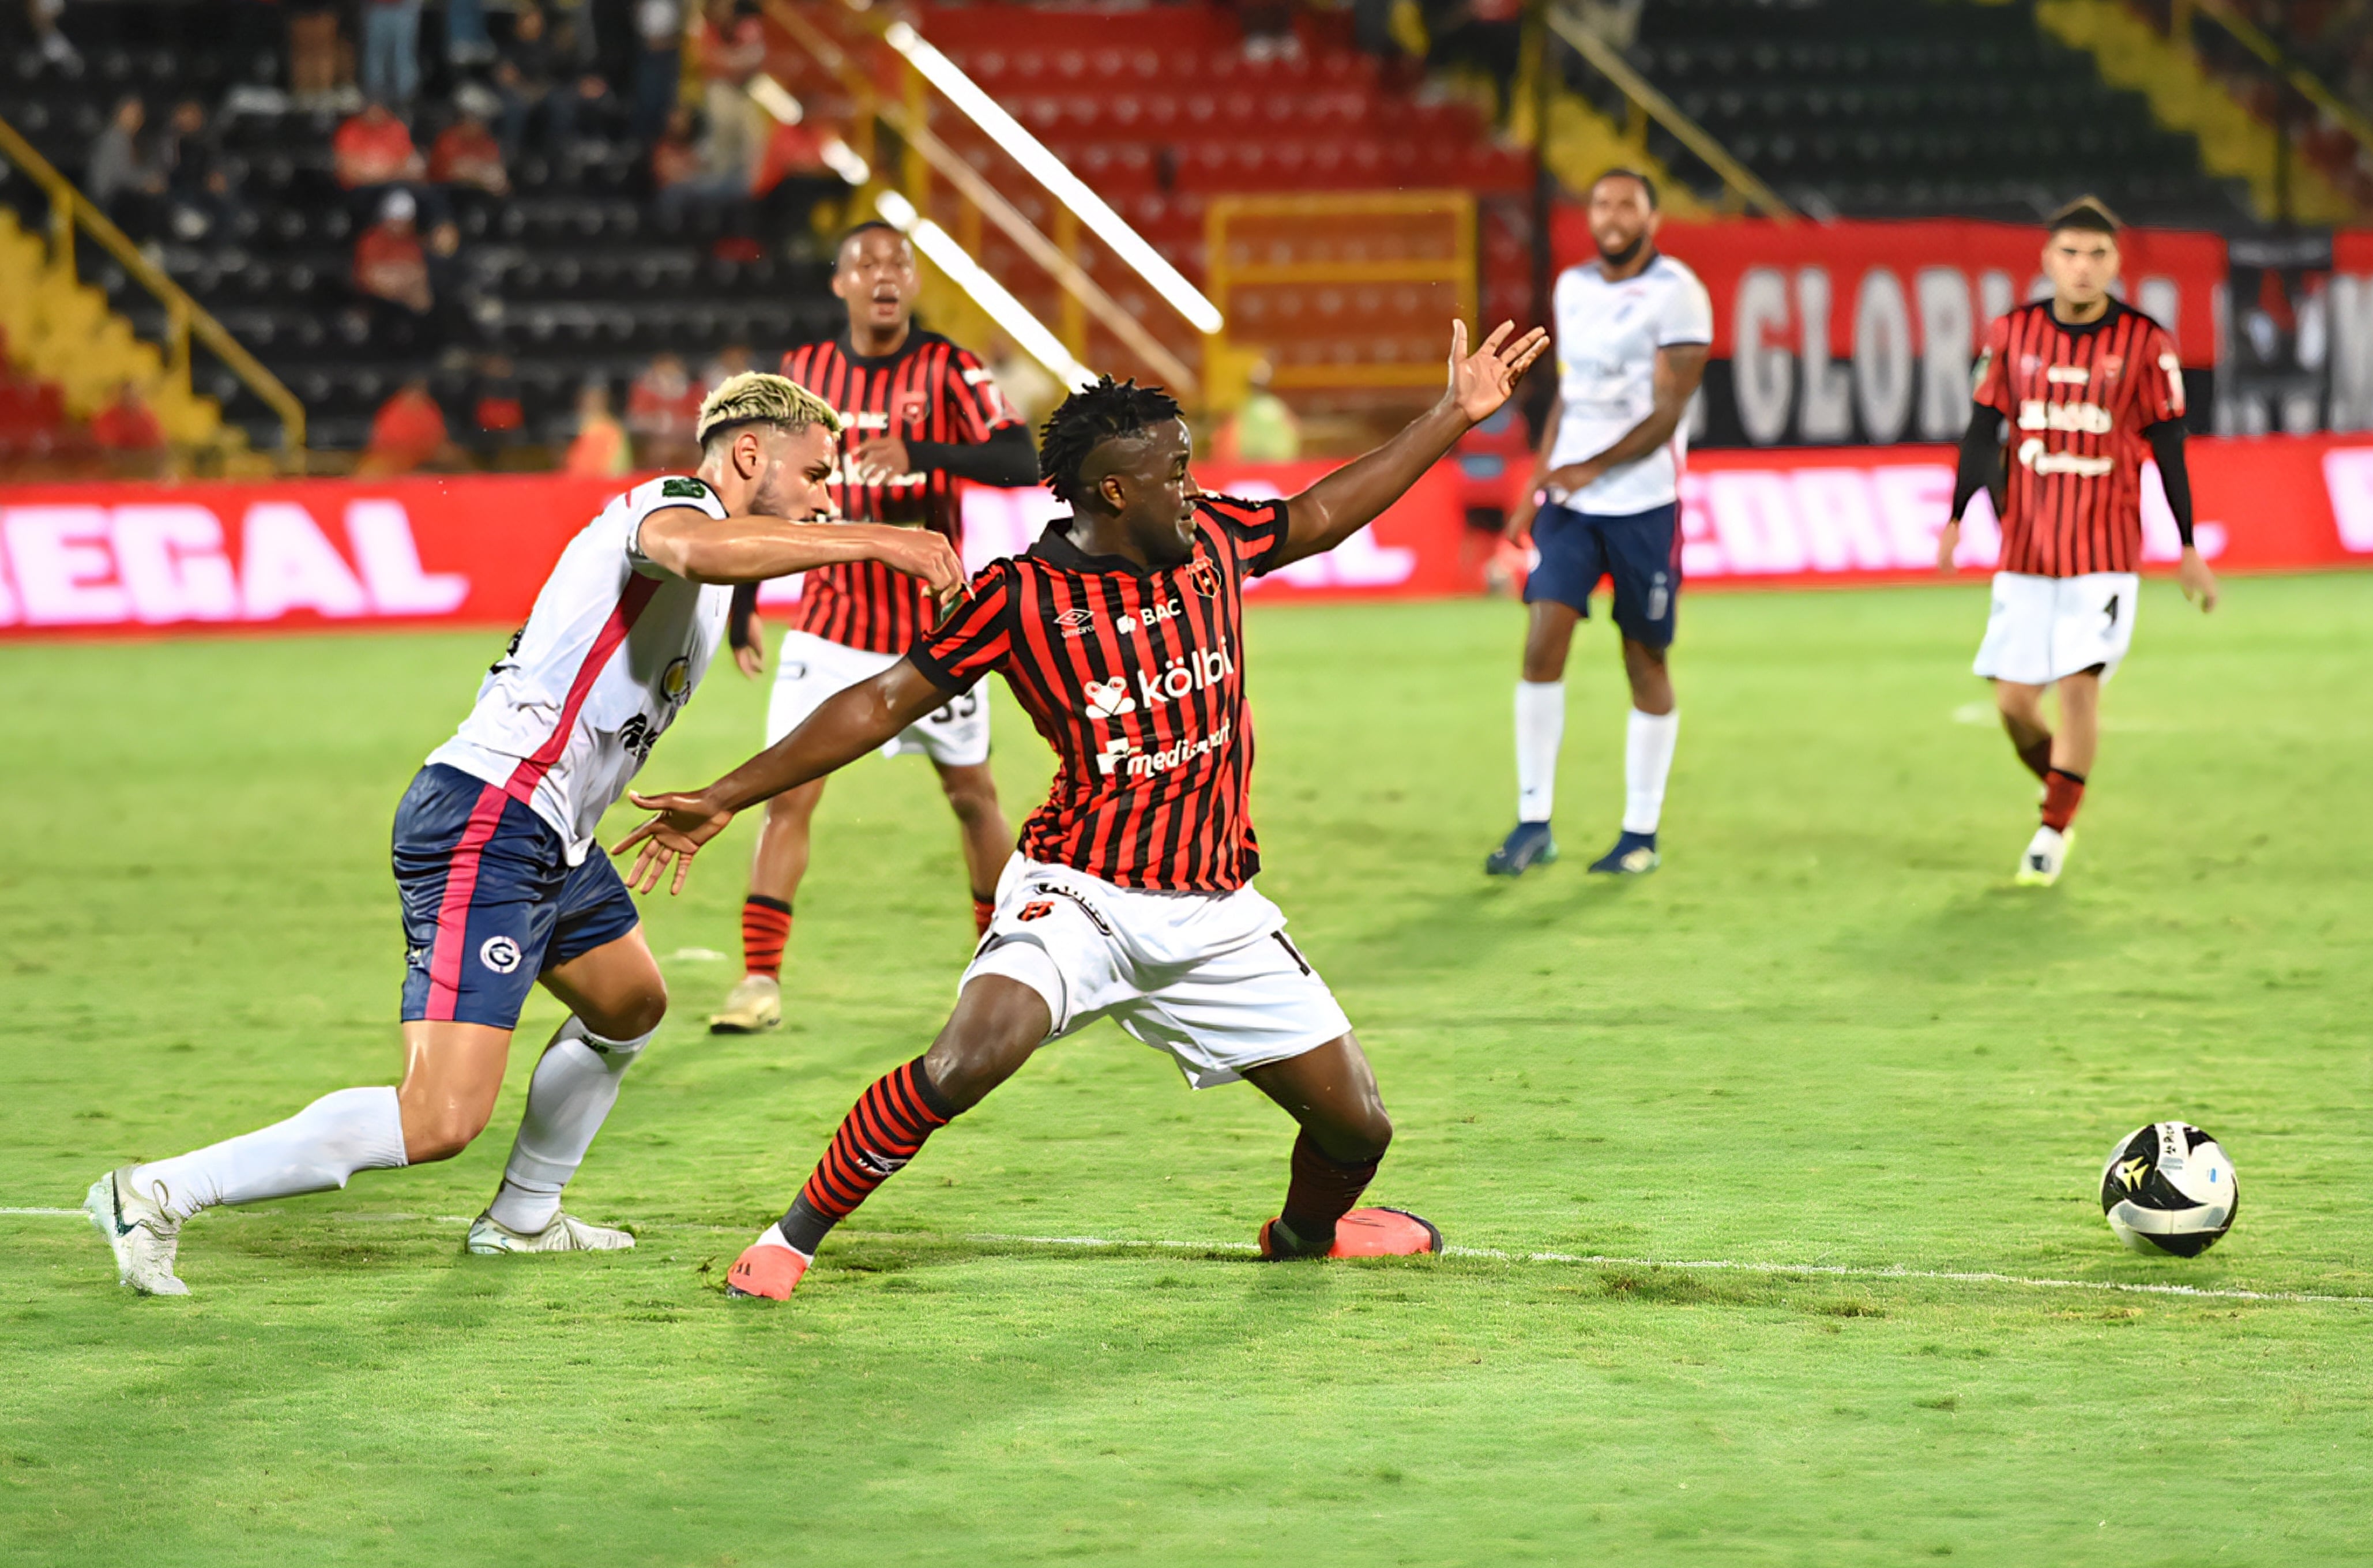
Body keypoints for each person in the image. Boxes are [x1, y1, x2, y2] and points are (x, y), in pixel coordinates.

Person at [614, 319, 1549, 1300]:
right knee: (968, 1057)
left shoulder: (1216, 540)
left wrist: (1451, 412)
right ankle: (791, 1234)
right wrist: (726, 792)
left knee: (1360, 1126)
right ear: (1114, 491)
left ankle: (1305, 1233)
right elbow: (884, 699)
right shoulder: (1020, 596)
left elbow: (1317, 515)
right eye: (1175, 473)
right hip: (1082, 893)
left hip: (1218, 908)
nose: (1192, 486)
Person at [85, 374, 966, 1297]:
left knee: (628, 1002)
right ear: (750, 456)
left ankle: (521, 1217)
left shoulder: (715, 557)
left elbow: (717, 575)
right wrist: (879, 540)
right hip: (490, 816)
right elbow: (701, 550)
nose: (829, 496)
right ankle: (156, 1191)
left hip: (551, 832)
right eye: (817, 473)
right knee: (439, 1117)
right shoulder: (671, 507)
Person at [702, 221, 1041, 1035]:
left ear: (912, 283)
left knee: (971, 794)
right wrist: (746, 606)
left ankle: (1002, 972)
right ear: (841, 283)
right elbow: (764, 494)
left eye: (898, 263)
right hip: (826, 624)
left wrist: (923, 447)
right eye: (867, 262)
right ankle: (757, 980)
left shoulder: (951, 369)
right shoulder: (802, 376)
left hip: (933, 632)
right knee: (788, 793)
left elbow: (1020, 460)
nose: (884, 275)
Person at [1937, 197, 2218, 887]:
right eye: (2069, 253)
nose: (2082, 267)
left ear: (2115, 262)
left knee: (2076, 687)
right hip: (2025, 551)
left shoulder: (2146, 343)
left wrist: (2185, 543)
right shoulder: (2010, 334)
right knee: (2011, 703)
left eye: (2096, 255)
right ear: (2046, 259)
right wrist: (1955, 513)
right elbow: (1983, 431)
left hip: (2104, 553)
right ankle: (2063, 787)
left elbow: (2169, 446)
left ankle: (2051, 832)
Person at [1487, 168, 1709, 879]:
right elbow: (1569, 399)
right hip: (1571, 509)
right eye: (1601, 204)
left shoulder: (1679, 293)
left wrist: (1593, 467)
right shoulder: (1572, 287)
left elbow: (1669, 411)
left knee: (1643, 661)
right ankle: (1532, 821)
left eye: (1626, 204)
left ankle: (1638, 831)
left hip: (1643, 505)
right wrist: (1538, 483)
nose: (1611, 216)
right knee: (1540, 644)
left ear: (1652, 216)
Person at [86, 97, 165, 232]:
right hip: (110, 200)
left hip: (121, 196)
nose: (135, 119)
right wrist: (145, 182)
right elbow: (120, 177)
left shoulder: (131, 140)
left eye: (138, 115)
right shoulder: (114, 138)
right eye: (131, 114)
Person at [358, 378, 457, 475]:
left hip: (426, 456)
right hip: (396, 457)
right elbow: (387, 442)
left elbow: (439, 437)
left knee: (457, 460)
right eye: (413, 392)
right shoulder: (392, 411)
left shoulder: (429, 409)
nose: (416, 396)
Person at [627, 352, 704, 471]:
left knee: (700, 453)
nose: (669, 372)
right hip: (656, 441)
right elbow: (637, 420)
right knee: (657, 453)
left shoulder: (693, 391)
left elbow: (700, 419)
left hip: (685, 441)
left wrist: (681, 430)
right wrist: (658, 426)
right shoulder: (645, 390)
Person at [334, 99, 426, 191]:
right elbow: (348, 171)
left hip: (392, 187)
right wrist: (384, 173)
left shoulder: (396, 129)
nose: (375, 113)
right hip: (358, 189)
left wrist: (383, 173)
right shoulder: (351, 130)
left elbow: (410, 165)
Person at [430, 106, 509, 197]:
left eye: (482, 120)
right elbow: (454, 172)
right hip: (445, 189)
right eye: (474, 119)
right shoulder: (449, 139)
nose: (479, 124)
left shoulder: (487, 142)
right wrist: (479, 174)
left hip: (478, 191)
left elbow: (496, 170)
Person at [361, 0, 424, 107]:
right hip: (377, 7)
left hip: (405, 7)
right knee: (376, 56)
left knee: (402, 54)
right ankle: (376, 100)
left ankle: (405, 101)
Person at [563, 381, 633, 476]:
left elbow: (585, 469)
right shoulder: (588, 427)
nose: (586, 403)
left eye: (592, 400)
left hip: (604, 484)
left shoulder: (605, 429)